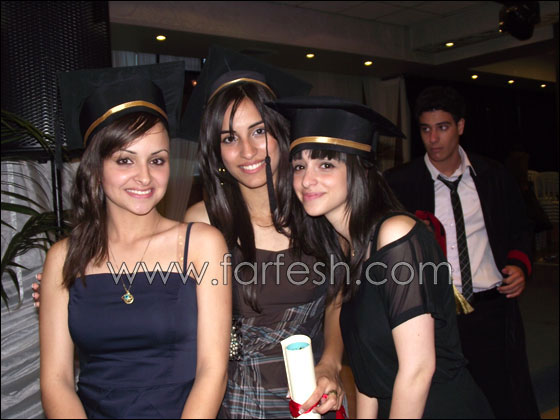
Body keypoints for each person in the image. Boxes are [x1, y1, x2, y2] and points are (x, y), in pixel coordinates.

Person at [269, 95, 493, 418]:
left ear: (360, 171)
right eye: (299, 166)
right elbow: (370, 375)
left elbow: (418, 370)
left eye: (326, 164)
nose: (306, 180)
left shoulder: (395, 235)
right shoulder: (347, 251)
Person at [39, 62, 231, 419]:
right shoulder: (63, 257)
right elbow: (56, 380)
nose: (144, 177)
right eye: (125, 160)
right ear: (95, 168)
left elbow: (213, 370)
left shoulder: (201, 244)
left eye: (157, 160)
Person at [181, 46, 345, 418]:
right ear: (216, 151)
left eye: (259, 131)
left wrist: (331, 363)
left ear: (280, 132)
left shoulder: (317, 209)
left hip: (308, 398)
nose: (248, 151)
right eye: (229, 138)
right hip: (232, 401)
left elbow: (337, 300)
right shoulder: (203, 222)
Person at [383, 86, 539, 419]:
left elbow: (520, 228)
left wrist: (519, 265)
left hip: (491, 309)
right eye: (425, 129)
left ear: (461, 126)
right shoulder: (401, 184)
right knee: (443, 404)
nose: (433, 139)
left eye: (442, 127)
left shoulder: (492, 176)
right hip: (435, 316)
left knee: (503, 398)